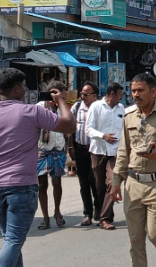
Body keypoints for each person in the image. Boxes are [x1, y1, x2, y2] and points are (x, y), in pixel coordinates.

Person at [0, 68, 75, 267]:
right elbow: (69, 126)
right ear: (17, 88)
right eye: (24, 86)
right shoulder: (32, 112)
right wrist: (61, 100)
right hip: (22, 186)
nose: (26, 90)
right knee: (13, 240)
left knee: (10, 239)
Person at [110, 73, 156, 267]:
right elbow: (123, 151)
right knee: (135, 239)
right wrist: (116, 182)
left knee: (155, 233)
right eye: (133, 90)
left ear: (153, 92)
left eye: (140, 90)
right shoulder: (128, 116)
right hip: (133, 184)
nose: (135, 94)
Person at [85, 83, 125, 230]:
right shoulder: (96, 106)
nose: (122, 97)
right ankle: (106, 213)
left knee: (112, 182)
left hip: (115, 153)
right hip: (98, 150)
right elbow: (88, 129)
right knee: (100, 186)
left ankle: (104, 218)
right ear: (112, 94)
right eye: (120, 94)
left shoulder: (121, 109)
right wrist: (103, 136)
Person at [35, 81, 70, 230]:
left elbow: (69, 127)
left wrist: (69, 147)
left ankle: (57, 211)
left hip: (58, 148)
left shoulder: (62, 109)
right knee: (42, 185)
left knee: (57, 183)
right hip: (42, 150)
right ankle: (45, 217)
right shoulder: (39, 108)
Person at [68, 81, 101, 226]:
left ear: (95, 95)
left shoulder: (100, 108)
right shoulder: (77, 107)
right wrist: (70, 146)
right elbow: (71, 127)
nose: (83, 96)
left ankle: (99, 210)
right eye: (82, 94)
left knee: (95, 180)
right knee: (83, 183)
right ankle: (87, 213)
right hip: (80, 148)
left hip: (95, 149)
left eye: (86, 94)